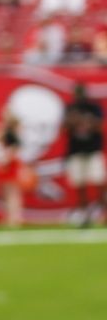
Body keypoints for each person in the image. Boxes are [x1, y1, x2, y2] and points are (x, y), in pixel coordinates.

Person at [61, 84, 103, 224]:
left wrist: (84, 121)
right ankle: (84, 215)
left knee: (100, 182)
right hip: (76, 151)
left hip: (92, 149)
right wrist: (77, 121)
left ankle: (103, 212)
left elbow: (99, 124)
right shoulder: (70, 108)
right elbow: (65, 126)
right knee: (80, 185)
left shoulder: (93, 107)